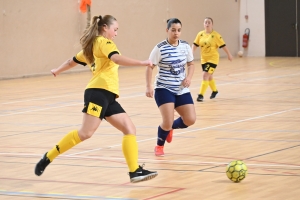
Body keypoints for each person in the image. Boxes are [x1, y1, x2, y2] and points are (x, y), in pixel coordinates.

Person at [34, 15, 158, 183]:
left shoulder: (92, 45)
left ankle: (134, 171)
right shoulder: (104, 43)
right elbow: (116, 58)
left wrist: (58, 70)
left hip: (108, 95)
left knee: (130, 128)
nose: (116, 33)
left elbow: (72, 61)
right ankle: (48, 156)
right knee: (85, 133)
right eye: (115, 29)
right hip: (99, 92)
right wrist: (142, 62)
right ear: (105, 28)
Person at [146, 18, 196, 157]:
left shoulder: (185, 46)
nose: (176, 33)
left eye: (179, 30)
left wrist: (189, 78)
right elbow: (150, 67)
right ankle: (159, 145)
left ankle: (170, 128)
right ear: (167, 30)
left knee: (190, 120)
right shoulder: (160, 48)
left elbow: (191, 64)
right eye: (173, 30)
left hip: (181, 89)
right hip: (164, 88)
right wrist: (148, 86)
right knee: (166, 121)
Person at [192, 17, 233, 102]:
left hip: (213, 59)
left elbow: (223, 45)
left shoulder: (216, 35)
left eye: (209, 22)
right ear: (203, 24)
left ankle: (201, 95)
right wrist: (191, 53)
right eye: (205, 22)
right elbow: (195, 44)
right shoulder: (200, 34)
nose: (207, 24)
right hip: (204, 59)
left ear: (212, 24)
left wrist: (229, 54)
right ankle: (215, 91)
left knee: (205, 75)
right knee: (209, 76)